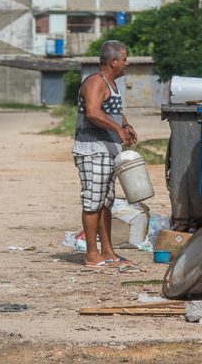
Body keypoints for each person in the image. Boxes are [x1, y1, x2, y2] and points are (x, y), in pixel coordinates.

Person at [73, 40, 138, 267]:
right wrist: (117, 129)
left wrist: (126, 125)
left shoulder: (111, 84)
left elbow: (113, 112)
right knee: (92, 202)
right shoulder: (95, 82)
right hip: (92, 151)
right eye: (124, 59)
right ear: (113, 61)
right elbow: (92, 112)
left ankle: (108, 252)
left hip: (107, 151)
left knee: (105, 203)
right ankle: (92, 255)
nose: (126, 63)